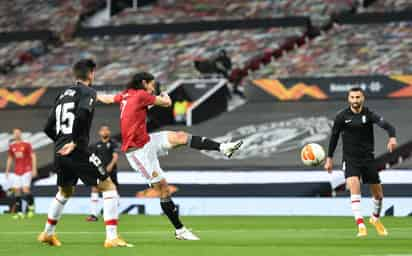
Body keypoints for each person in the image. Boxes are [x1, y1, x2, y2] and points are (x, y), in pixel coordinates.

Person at [98, 72, 242, 240]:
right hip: (137, 152)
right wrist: (164, 95)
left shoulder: (126, 95)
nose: (153, 87)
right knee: (164, 190)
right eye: (152, 84)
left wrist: (90, 94)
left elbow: (107, 99)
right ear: (144, 83)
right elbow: (166, 103)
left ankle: (223, 147)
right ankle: (180, 230)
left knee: (180, 136)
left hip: (147, 140)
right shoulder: (142, 95)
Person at [38, 59, 132, 248]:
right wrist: (73, 141)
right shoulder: (88, 92)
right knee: (108, 187)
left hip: (59, 150)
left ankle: (48, 234)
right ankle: (112, 237)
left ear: (75, 75)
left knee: (65, 191)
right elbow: (81, 114)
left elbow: (48, 127)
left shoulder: (62, 94)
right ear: (91, 74)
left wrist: (61, 142)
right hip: (76, 149)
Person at [324, 87, 397, 237]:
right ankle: (360, 225)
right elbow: (334, 137)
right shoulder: (342, 117)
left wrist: (392, 137)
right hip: (350, 159)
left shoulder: (369, 114)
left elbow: (389, 126)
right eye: (353, 97)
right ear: (348, 99)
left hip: (368, 159)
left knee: (378, 194)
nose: (355, 100)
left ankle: (375, 219)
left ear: (362, 98)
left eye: (358, 97)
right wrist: (329, 158)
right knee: (354, 185)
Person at [86, 125, 119, 222]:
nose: (104, 132)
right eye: (103, 130)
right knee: (95, 189)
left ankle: (113, 214)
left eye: (106, 130)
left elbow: (115, 156)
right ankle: (94, 214)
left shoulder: (113, 144)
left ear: (109, 132)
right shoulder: (96, 145)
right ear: (99, 133)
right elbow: (93, 158)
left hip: (111, 171)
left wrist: (110, 166)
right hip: (100, 171)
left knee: (113, 190)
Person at [5, 128, 37, 219]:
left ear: (21, 134)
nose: (17, 134)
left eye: (18, 133)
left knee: (25, 189)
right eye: (15, 133)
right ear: (13, 135)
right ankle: (19, 212)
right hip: (16, 171)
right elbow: (10, 158)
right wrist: (7, 170)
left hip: (26, 170)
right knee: (17, 191)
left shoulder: (26, 144)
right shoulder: (12, 146)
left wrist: (34, 169)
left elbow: (33, 156)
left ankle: (31, 207)